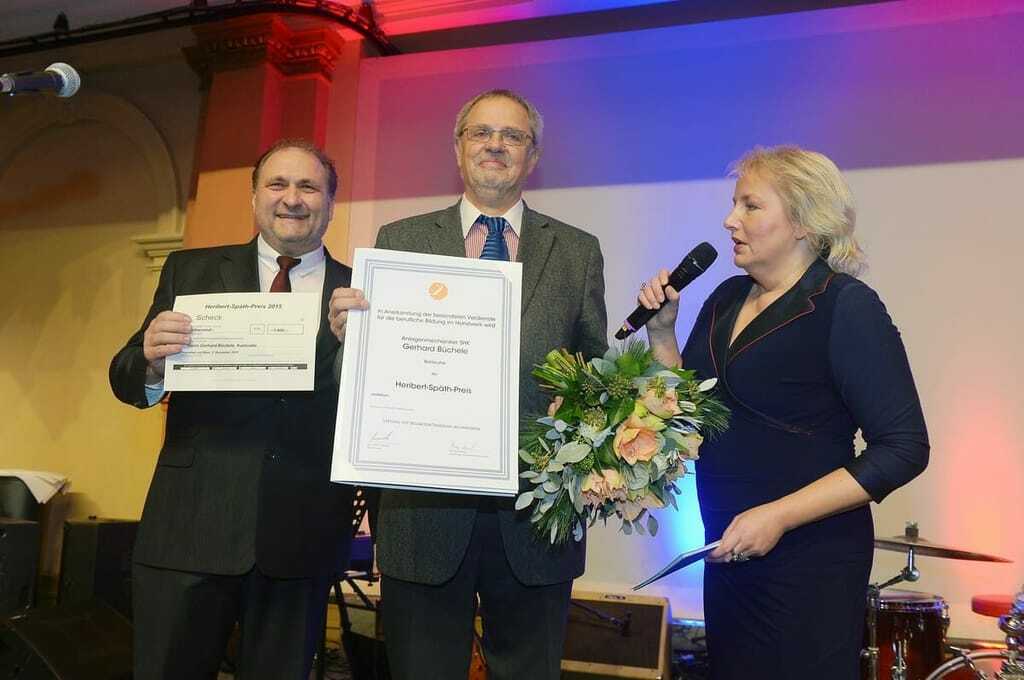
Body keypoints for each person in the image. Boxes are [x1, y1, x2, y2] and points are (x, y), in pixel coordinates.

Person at [329, 89, 608, 679]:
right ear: (458, 149)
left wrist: (584, 415)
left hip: (535, 515)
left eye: (513, 136)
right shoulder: (399, 240)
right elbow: (365, 376)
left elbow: (595, 371)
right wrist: (346, 340)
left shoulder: (578, 251)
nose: (495, 145)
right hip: (421, 514)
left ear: (533, 156)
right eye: (481, 132)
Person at [637, 145, 929, 679]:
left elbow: (904, 447)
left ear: (802, 221)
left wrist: (777, 516)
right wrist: (661, 334)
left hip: (810, 563)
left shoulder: (845, 306)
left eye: (750, 206)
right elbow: (688, 415)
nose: (730, 220)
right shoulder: (726, 298)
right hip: (729, 553)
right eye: (734, 204)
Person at [110, 139, 364, 679]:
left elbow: (377, 408)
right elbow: (124, 373)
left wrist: (362, 353)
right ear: (254, 198)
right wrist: (152, 362)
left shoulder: (360, 293)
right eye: (277, 184)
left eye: (308, 186)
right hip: (188, 528)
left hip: (301, 536)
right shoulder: (191, 271)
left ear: (330, 203)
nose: (292, 198)